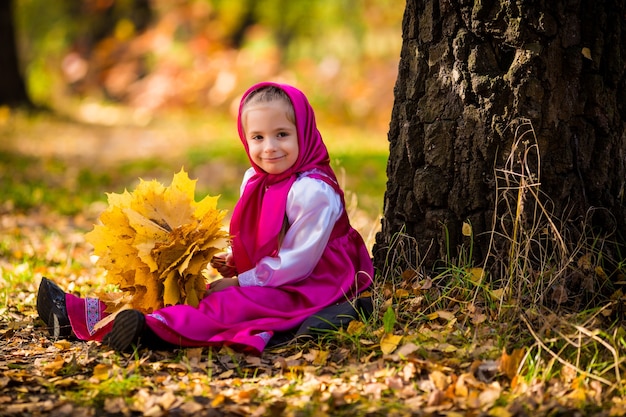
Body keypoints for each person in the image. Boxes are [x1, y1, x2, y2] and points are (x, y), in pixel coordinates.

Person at [36, 82, 374, 354]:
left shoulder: (313, 192)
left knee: (230, 305)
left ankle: (151, 332)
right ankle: (81, 314)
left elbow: (298, 262)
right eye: (257, 137)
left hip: (316, 283)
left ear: (305, 131)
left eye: (282, 134)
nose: (269, 147)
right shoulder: (256, 179)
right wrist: (236, 260)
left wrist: (243, 280)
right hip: (273, 273)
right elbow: (261, 235)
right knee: (192, 291)